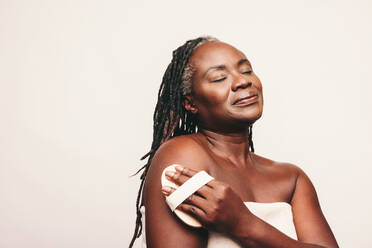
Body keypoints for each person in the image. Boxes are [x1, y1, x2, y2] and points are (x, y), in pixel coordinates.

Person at [129, 36, 339, 247]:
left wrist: (245, 225)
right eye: (219, 78)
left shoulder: (292, 178)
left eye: (246, 70)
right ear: (190, 103)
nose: (243, 81)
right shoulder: (183, 155)